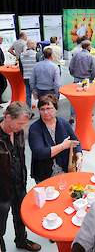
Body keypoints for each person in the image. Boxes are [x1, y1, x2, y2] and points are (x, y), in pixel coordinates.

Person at [0, 102, 41, 252]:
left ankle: (21, 240)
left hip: (19, 183)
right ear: (8, 117)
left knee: (21, 215)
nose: (23, 127)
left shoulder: (18, 132)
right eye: (20, 123)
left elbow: (20, 157)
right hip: (2, 190)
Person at [28, 94, 83, 183]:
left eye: (49, 108)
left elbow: (76, 142)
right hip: (44, 174)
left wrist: (79, 155)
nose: (45, 112)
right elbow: (40, 153)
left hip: (64, 170)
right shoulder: (35, 129)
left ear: (56, 109)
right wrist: (62, 146)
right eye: (42, 109)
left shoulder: (63, 123)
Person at [69, 40, 95, 123]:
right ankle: (88, 115)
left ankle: (72, 116)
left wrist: (74, 74)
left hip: (77, 78)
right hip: (86, 79)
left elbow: (71, 67)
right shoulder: (90, 56)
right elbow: (94, 71)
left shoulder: (76, 55)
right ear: (88, 47)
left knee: (75, 98)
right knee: (87, 98)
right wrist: (91, 79)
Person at [20, 40, 37, 109]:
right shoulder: (36, 54)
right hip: (35, 78)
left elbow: (21, 68)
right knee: (38, 94)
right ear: (32, 45)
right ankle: (41, 109)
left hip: (26, 77)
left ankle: (28, 110)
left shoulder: (21, 55)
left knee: (28, 95)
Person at [0, 36, 7, 106]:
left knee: (3, 84)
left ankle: (0, 100)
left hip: (1, 67)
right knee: (3, 84)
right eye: (1, 39)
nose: (2, 40)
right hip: (0, 69)